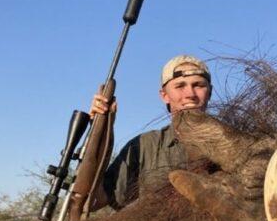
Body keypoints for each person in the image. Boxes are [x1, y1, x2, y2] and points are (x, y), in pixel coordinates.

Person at [89, 55, 212, 211]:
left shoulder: (233, 144)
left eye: (198, 85)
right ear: (164, 95)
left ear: (210, 92)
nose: (190, 94)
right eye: (180, 86)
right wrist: (97, 133)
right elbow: (94, 201)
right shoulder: (144, 146)